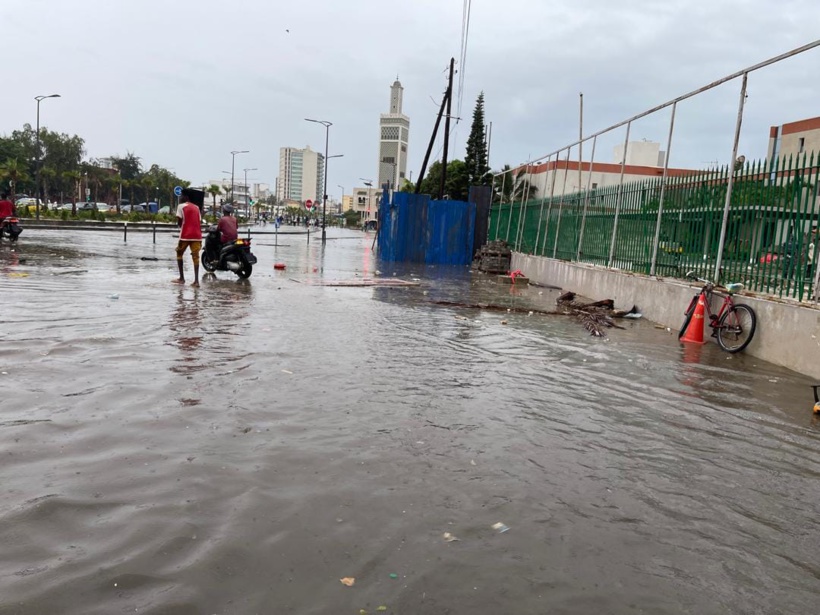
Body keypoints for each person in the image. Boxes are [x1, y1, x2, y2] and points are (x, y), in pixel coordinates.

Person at [174, 193, 202, 286]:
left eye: (182, 196)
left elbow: (179, 221)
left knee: (179, 253)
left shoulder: (181, 206)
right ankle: (196, 281)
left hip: (185, 235)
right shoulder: (197, 208)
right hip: (197, 236)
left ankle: (182, 278)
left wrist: (181, 226)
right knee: (196, 257)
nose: (180, 198)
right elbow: (199, 220)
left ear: (186, 197)